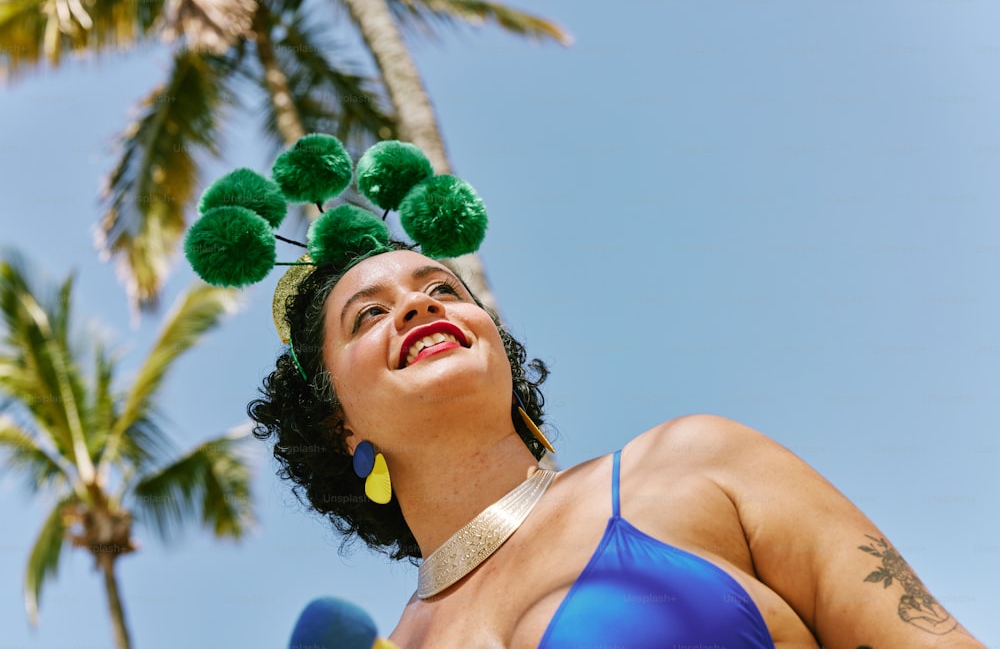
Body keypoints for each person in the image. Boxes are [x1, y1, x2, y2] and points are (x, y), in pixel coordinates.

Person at [186, 135, 987, 648]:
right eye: (369, 315)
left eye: (441, 287)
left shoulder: (696, 464)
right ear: (341, 427)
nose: (419, 304)